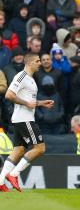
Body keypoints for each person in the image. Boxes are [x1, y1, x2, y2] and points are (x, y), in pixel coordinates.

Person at [0, 54, 54, 192]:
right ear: (29, 62)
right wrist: (26, 103)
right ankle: (13, 174)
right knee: (40, 148)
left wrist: (41, 103)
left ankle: (0, 182)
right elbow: (9, 95)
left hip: (21, 118)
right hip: (25, 119)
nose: (40, 63)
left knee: (19, 150)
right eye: (37, 61)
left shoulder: (30, 79)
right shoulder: (21, 77)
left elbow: (28, 101)